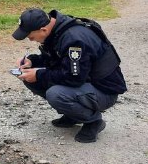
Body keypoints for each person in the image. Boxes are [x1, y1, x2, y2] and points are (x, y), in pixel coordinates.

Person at [11, 8, 127, 143]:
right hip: (86, 82)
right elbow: (57, 60)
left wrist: (39, 75)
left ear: (43, 30)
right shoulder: (58, 30)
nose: (30, 40)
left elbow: (74, 78)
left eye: (31, 37)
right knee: (29, 75)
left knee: (55, 94)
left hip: (104, 91)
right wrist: (32, 61)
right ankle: (73, 114)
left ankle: (93, 121)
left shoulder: (74, 40)